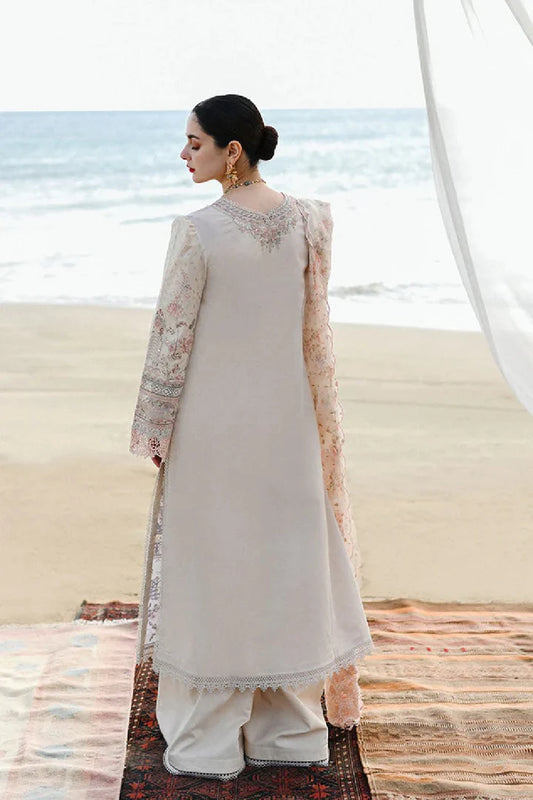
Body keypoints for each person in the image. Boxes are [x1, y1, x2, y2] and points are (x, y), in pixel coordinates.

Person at [129, 94, 375, 781]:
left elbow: (171, 337)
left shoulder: (197, 231)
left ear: (231, 150)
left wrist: (154, 426)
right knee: (284, 565)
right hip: (289, 426)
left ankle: (208, 740)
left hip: (212, 429)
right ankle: (289, 732)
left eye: (194, 142)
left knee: (215, 567)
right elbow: (312, 332)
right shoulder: (310, 221)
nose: (184, 154)